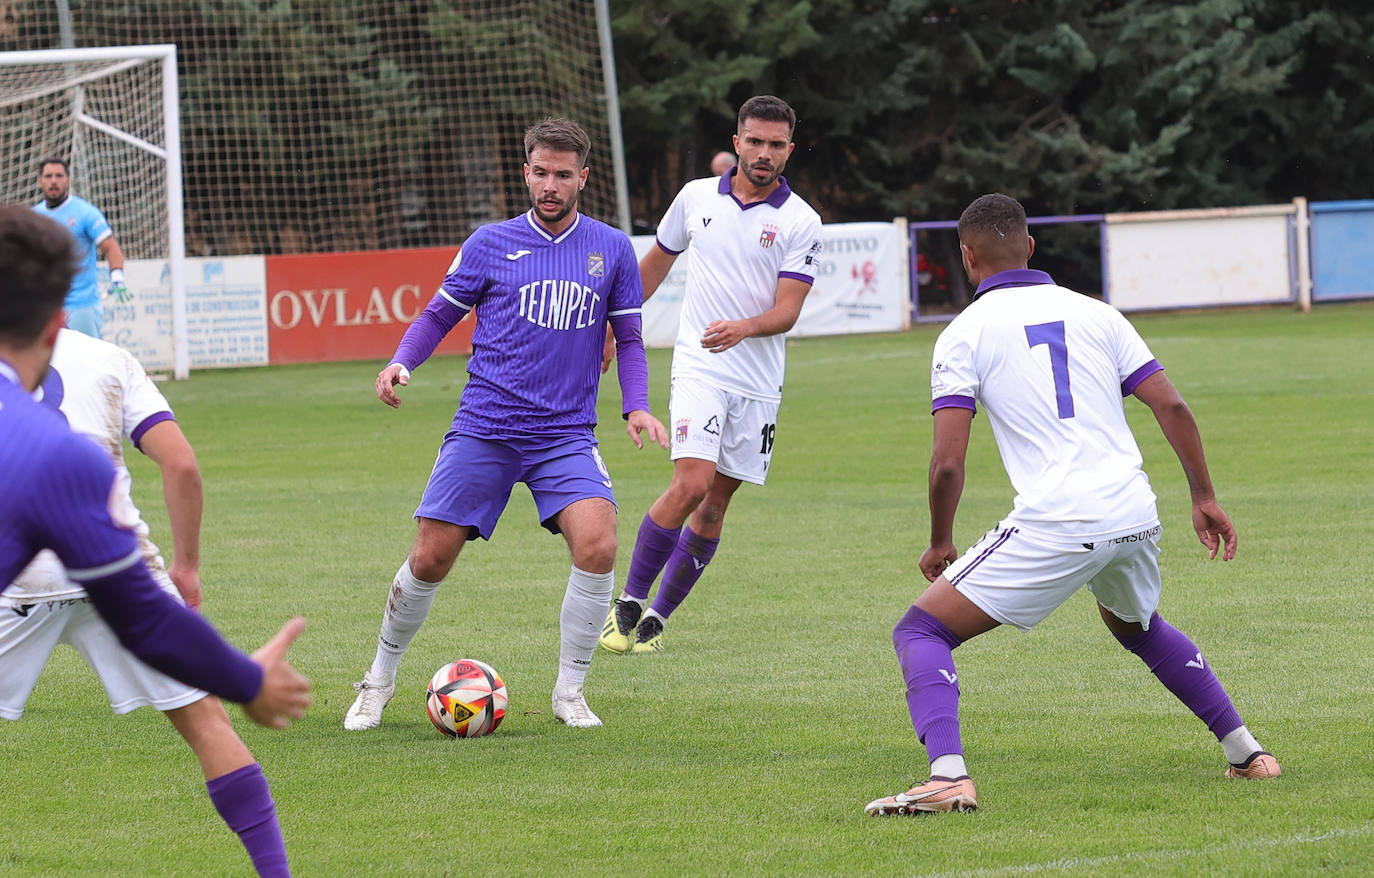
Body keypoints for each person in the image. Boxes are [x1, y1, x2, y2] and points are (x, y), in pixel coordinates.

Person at [864, 193, 1280, 817]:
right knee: (1136, 627)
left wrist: (940, 541)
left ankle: (948, 775)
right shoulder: (1099, 314)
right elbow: (1172, 406)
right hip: (1133, 510)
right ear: (1031, 247)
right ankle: (1248, 753)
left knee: (922, 629)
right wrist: (1204, 496)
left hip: (1058, 520)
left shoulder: (963, 333)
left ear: (967, 258)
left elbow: (949, 460)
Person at [343, 118, 668, 732]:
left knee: (598, 544)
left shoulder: (612, 249)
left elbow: (628, 337)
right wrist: (400, 362)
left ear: (583, 178)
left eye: (563, 175)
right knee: (430, 558)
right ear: (525, 172)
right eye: (540, 172)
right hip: (485, 427)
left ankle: (570, 693)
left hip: (565, 434)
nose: (550, 185)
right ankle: (377, 681)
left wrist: (637, 405)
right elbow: (438, 316)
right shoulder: (489, 243)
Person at [0, 206, 309, 722]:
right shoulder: (64, 463)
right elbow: (148, 619)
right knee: (207, 725)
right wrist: (247, 680)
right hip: (72, 576)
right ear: (58, 325)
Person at [2, 327, 292, 876]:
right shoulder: (109, 359)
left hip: (24, 581)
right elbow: (180, 464)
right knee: (207, 723)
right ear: (61, 305)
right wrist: (186, 566)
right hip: (110, 558)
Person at [599, 95, 823, 655]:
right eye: (755, 141)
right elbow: (654, 265)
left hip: (758, 383)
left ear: (789, 150)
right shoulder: (697, 197)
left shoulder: (802, 221)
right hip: (700, 365)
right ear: (738, 140)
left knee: (715, 505)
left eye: (776, 144)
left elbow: (789, 309)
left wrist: (746, 327)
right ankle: (626, 602)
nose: (764, 153)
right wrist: (615, 328)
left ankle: (657, 619)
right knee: (691, 483)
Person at [32, 158, 130, 339]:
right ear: (40, 181)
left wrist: (117, 276)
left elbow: (110, 246)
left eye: (59, 176)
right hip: (47, 306)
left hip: (82, 305)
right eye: (48, 176)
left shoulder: (85, 213)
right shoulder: (35, 216)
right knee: (50, 365)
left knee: (87, 362)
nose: (54, 181)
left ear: (68, 180)